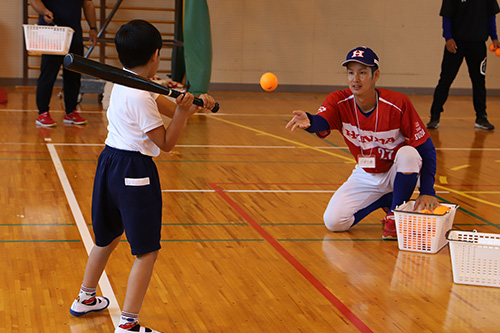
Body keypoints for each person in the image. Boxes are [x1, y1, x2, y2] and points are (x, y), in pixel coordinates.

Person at [68, 20, 215, 333]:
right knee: (146, 251)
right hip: (135, 171)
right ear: (155, 55)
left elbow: (171, 106)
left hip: (108, 164)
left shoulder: (126, 83)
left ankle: (86, 297)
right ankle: (129, 324)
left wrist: (195, 104)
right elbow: (167, 143)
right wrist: (181, 113)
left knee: (105, 238)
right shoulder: (140, 95)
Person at [286, 46, 439, 240]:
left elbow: (426, 148)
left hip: (396, 171)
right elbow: (322, 121)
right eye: (351, 73)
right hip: (366, 173)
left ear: (376, 76)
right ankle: (385, 200)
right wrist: (309, 121)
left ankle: (395, 214)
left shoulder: (398, 103)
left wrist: (427, 191)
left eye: (362, 73)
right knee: (334, 222)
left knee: (409, 153)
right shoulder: (339, 100)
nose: (355, 79)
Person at [427, 0, 500, 130]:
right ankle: (434, 116)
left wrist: (494, 37)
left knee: (479, 82)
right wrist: (448, 38)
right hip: (455, 44)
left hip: (478, 44)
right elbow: (446, 17)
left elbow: (491, 16)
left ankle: (481, 117)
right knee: (445, 80)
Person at [30, 0, 98, 127]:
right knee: (48, 75)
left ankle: (71, 112)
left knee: (74, 75)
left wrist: (93, 28)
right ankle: (43, 113)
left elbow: (88, 4)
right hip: (52, 33)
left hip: (74, 34)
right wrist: (44, 11)